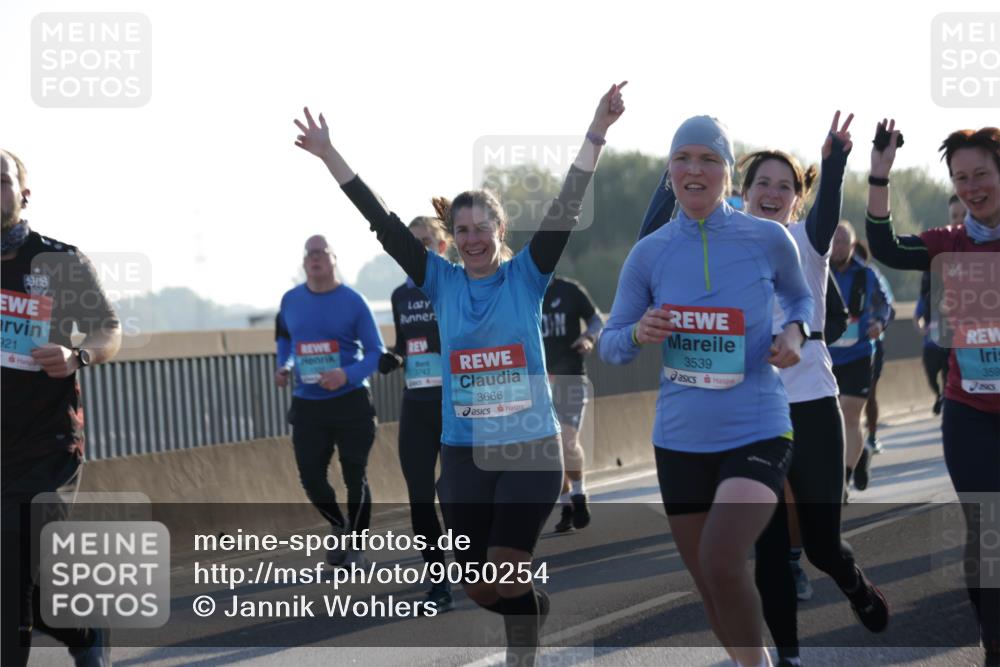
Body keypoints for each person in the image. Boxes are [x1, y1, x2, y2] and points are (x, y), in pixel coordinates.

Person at [293, 81, 626, 666]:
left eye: (483, 229)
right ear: (455, 236)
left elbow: (566, 207)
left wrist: (596, 133)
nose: (473, 240)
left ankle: (522, 649)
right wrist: (329, 156)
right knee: (477, 584)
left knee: (504, 568)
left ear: (501, 233)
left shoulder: (527, 275)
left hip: (528, 448)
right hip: (465, 450)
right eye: (464, 230)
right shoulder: (438, 280)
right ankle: (530, 606)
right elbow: (383, 222)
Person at [635, 111, 889, 667]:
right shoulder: (719, 237)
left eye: (785, 187)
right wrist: (672, 168)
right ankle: (789, 657)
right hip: (755, 417)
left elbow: (827, 212)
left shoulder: (803, 239)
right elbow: (655, 236)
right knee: (772, 552)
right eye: (762, 184)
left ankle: (854, 584)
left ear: (797, 199)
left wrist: (836, 160)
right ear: (741, 190)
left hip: (812, 403)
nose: (773, 194)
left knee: (820, 546)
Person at [602, 115, 813, 667]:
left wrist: (795, 332)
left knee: (722, 560)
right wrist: (638, 332)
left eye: (709, 160)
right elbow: (610, 344)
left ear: (726, 172)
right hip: (679, 439)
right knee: (709, 583)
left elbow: (801, 300)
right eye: (684, 158)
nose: (695, 169)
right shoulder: (648, 253)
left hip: (758, 425)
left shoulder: (767, 237)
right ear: (670, 170)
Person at [865, 122, 1000, 667]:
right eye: (960, 178)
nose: (971, 187)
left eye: (982, 174)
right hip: (969, 409)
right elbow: (885, 246)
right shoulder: (950, 244)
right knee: (987, 524)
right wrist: (879, 174)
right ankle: (994, 641)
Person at [1, 149, 122, 667]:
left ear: (24, 193)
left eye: (0, 180)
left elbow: (108, 330)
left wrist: (78, 356)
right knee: (32, 582)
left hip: (48, 444)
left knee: (11, 577)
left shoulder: (58, 261)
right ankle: (84, 627)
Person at [275, 235, 384, 567]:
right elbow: (284, 339)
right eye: (309, 253)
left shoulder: (354, 301)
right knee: (310, 477)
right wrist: (285, 366)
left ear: (334, 258)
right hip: (308, 404)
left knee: (355, 477)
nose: (315, 257)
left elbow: (377, 352)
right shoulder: (291, 300)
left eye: (321, 252)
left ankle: (357, 548)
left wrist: (346, 375)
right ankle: (338, 524)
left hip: (350, 401)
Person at [378, 211, 454, 611]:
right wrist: (392, 356)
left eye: (424, 243)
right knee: (420, 498)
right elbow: (403, 343)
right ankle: (438, 582)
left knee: (459, 495)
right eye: (412, 243)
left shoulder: (456, 286)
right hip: (417, 403)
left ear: (441, 247)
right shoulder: (400, 295)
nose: (417, 250)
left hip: (457, 405)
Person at [828, 222, 892, 493]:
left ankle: (842, 479)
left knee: (850, 414)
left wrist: (879, 322)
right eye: (834, 241)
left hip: (859, 354)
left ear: (852, 246)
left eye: (843, 241)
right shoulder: (818, 270)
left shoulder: (867, 274)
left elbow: (886, 304)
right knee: (832, 420)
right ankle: (860, 453)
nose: (837, 246)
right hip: (826, 357)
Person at [542, 275, 603, 533]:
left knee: (567, 441)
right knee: (548, 450)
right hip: (537, 382)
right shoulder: (522, 292)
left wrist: (589, 337)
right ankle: (566, 504)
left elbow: (597, 319)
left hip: (571, 377)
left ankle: (579, 494)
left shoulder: (569, 290)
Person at [915, 195, 965, 415]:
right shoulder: (938, 260)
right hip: (942, 338)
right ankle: (941, 396)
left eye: (965, 215)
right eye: (955, 216)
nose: (960, 221)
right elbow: (923, 302)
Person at [861, 250, 895, 455]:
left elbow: (889, 307)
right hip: (836, 348)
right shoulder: (828, 274)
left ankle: (872, 436)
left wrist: (878, 323)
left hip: (871, 345)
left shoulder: (872, 275)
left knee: (870, 393)